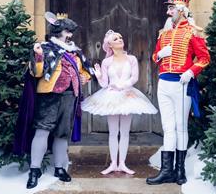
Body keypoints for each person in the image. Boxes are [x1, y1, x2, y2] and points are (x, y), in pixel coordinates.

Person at [17, 12, 93, 189]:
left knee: (62, 133)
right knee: (42, 131)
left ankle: (59, 168)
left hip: (70, 96)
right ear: (58, 31)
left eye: (71, 32)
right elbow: (36, 73)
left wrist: (84, 78)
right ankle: (34, 170)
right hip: (49, 95)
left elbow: (84, 70)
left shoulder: (74, 52)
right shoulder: (44, 48)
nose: (70, 35)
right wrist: (37, 57)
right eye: (67, 31)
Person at [146, 0, 210, 186]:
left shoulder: (193, 32)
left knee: (181, 127)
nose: (168, 12)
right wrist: (161, 54)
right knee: (168, 128)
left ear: (181, 9)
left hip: (182, 84)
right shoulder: (163, 34)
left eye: (171, 8)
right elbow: (154, 58)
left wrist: (191, 72)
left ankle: (180, 171)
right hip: (164, 83)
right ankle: (167, 171)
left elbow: (204, 58)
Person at [82, 30, 157, 175]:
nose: (120, 40)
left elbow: (134, 78)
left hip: (128, 95)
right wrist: (98, 76)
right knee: (113, 132)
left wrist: (122, 86)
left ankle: (122, 163)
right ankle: (113, 164)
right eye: (116, 39)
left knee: (125, 132)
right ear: (109, 44)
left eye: (121, 37)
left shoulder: (132, 59)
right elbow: (104, 84)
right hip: (111, 97)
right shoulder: (106, 62)